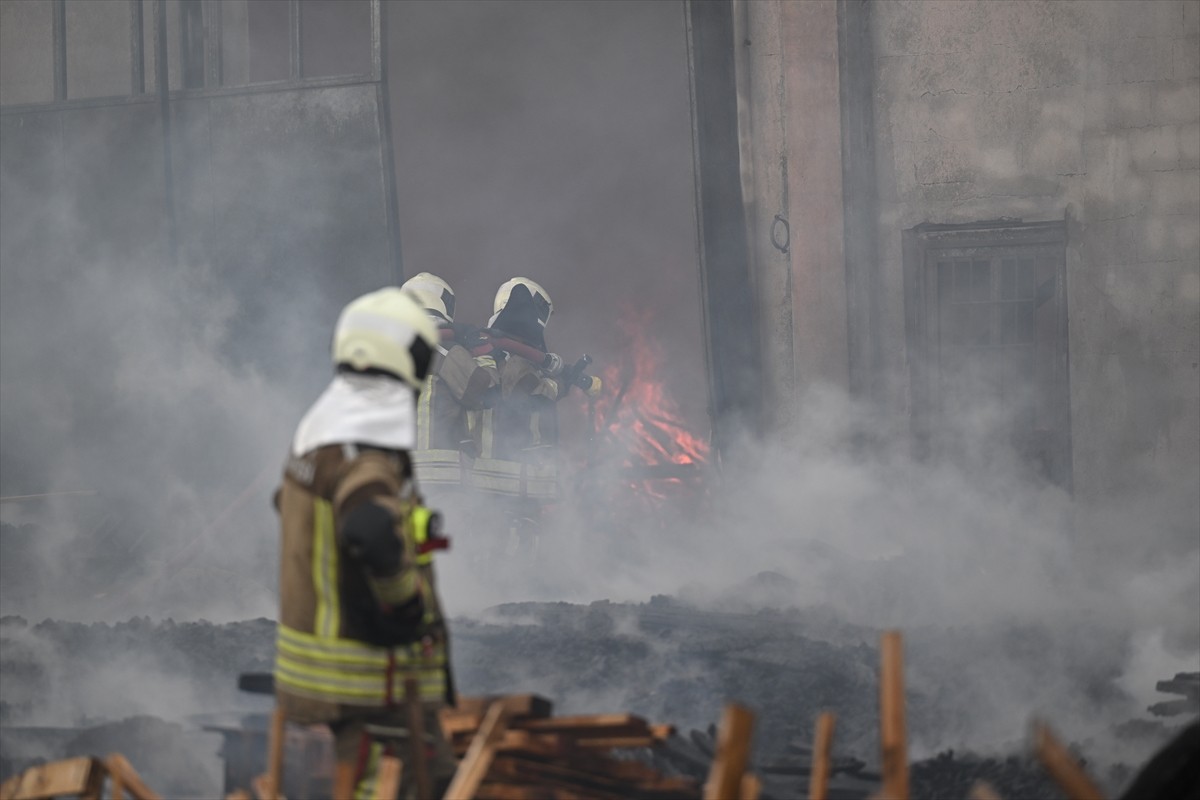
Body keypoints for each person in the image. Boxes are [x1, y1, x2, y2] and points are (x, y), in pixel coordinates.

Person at [272, 287, 457, 799]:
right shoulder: (364, 451)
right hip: (368, 685)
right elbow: (368, 528)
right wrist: (405, 600)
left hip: (319, 678)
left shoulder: (320, 435)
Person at [468, 278, 599, 554]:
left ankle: (509, 583)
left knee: (510, 529)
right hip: (512, 471)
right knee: (516, 531)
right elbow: (525, 397)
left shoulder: (497, 354)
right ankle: (515, 587)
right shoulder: (511, 358)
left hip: (505, 470)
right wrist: (558, 385)